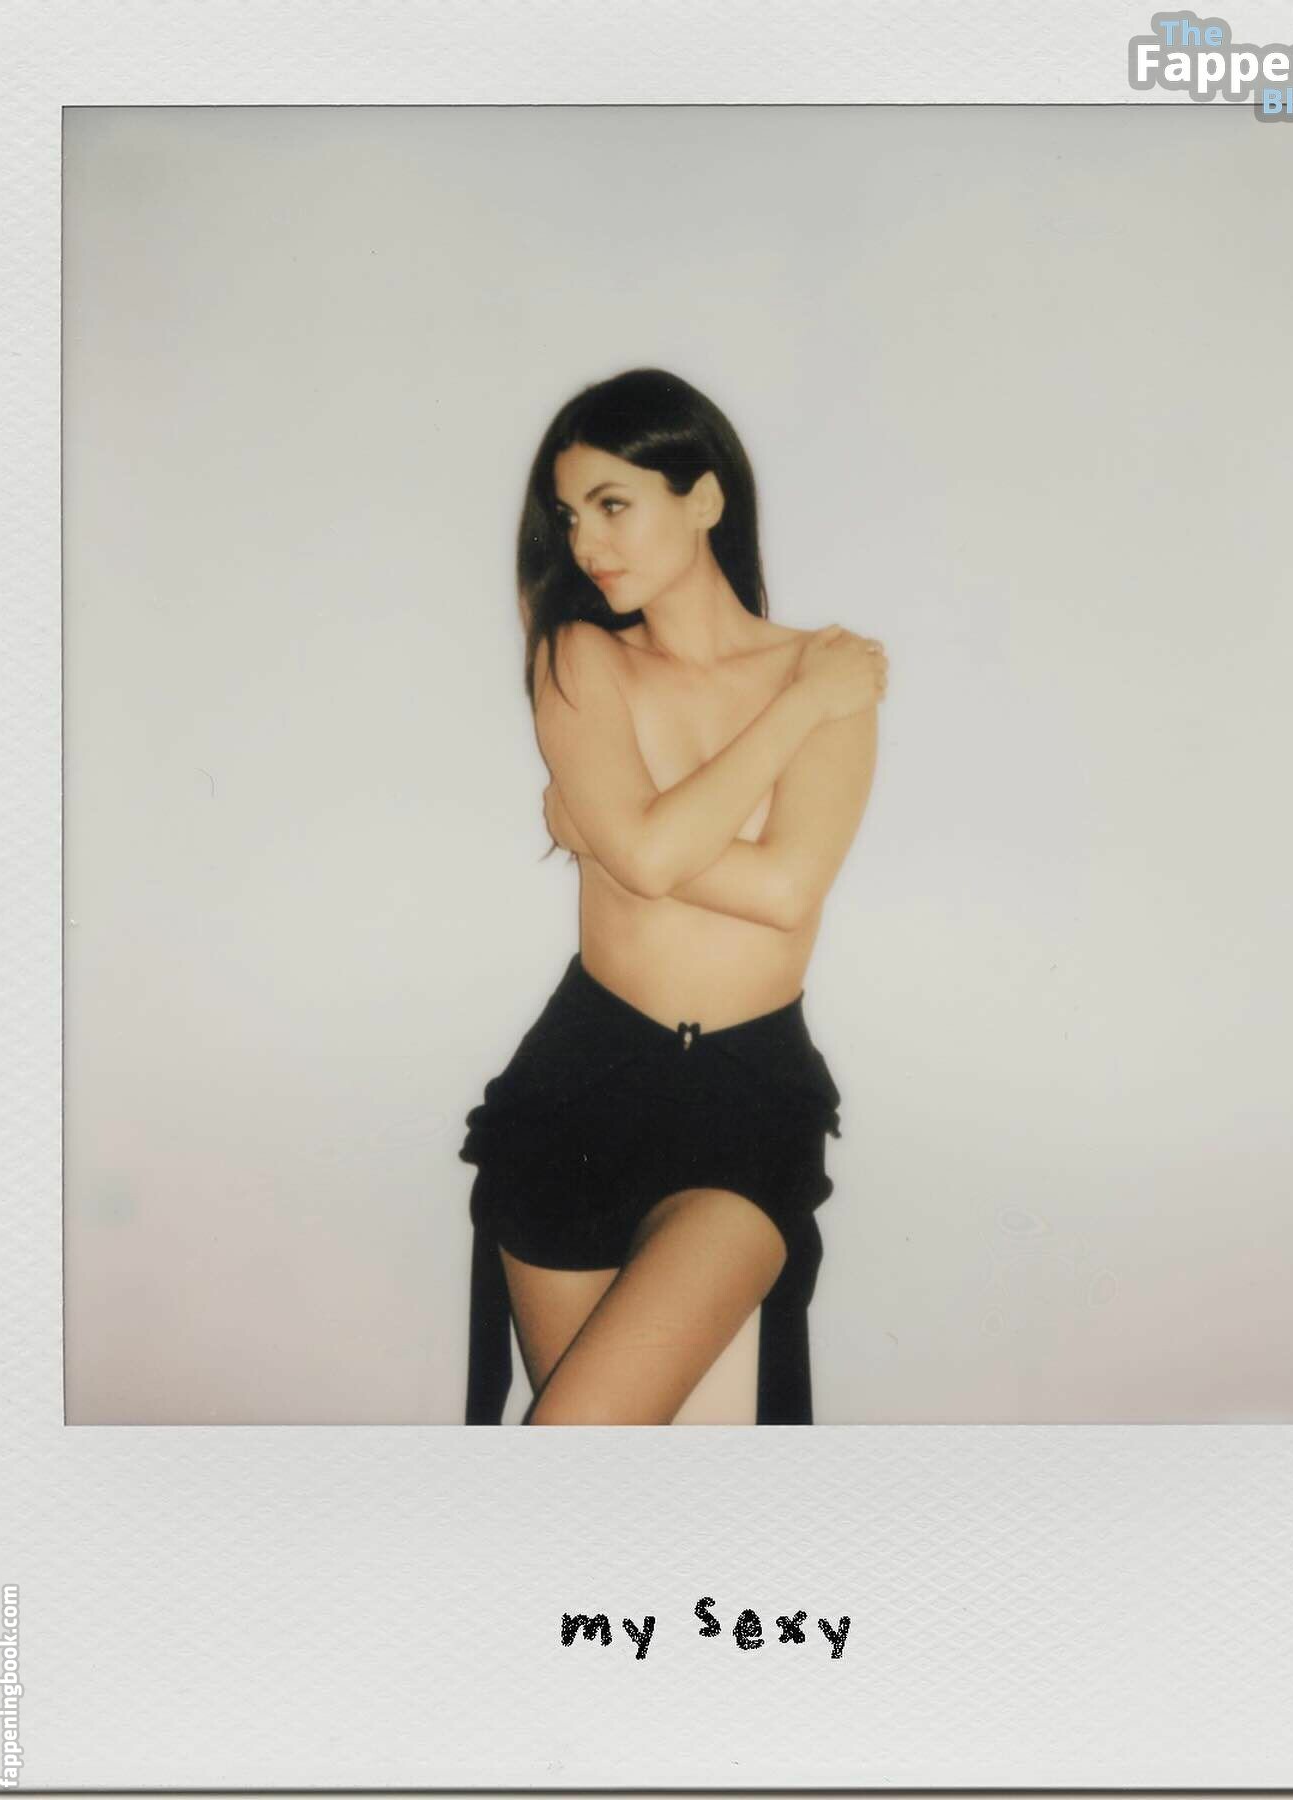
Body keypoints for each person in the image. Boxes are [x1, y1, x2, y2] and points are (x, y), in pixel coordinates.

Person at [459, 367, 887, 1425]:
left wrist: (614, 834)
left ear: (704, 498)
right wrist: (790, 719)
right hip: (579, 1091)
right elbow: (651, 860)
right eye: (571, 515)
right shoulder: (579, 657)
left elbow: (785, 889)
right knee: (603, 1490)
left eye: (613, 504)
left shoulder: (827, 670)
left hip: (749, 1102)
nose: (586, 543)